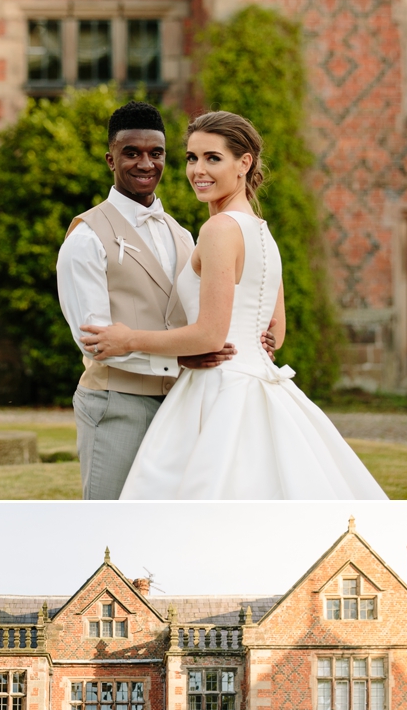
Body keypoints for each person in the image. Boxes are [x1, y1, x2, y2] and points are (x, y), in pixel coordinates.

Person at [81, 111, 388, 501]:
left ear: (244, 164)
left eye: (213, 158)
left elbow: (210, 334)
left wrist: (128, 339)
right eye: (192, 158)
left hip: (218, 388)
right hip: (260, 382)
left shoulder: (219, 229)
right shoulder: (261, 231)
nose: (197, 170)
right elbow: (275, 331)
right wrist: (252, 344)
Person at [56, 101, 275, 500]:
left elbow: (207, 311)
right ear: (111, 159)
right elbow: (94, 340)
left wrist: (251, 342)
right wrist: (179, 358)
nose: (145, 164)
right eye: (131, 153)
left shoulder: (184, 233)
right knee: (112, 519)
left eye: (155, 153)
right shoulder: (86, 238)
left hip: (184, 404)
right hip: (116, 403)